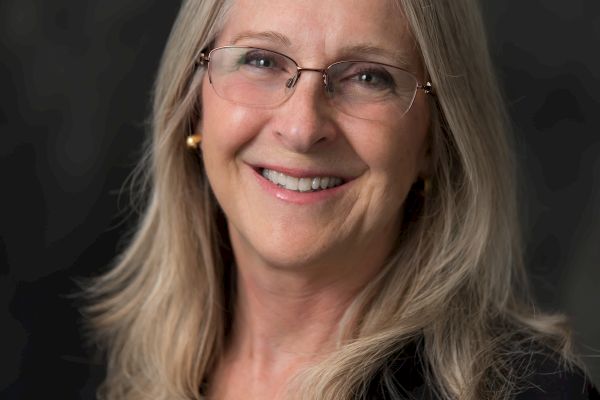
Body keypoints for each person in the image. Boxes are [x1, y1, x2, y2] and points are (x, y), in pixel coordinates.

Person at [86, 0, 599, 399]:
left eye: (368, 76)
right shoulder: (132, 367)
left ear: (432, 141)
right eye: (261, 59)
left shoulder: (533, 393)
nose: (302, 127)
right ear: (195, 106)